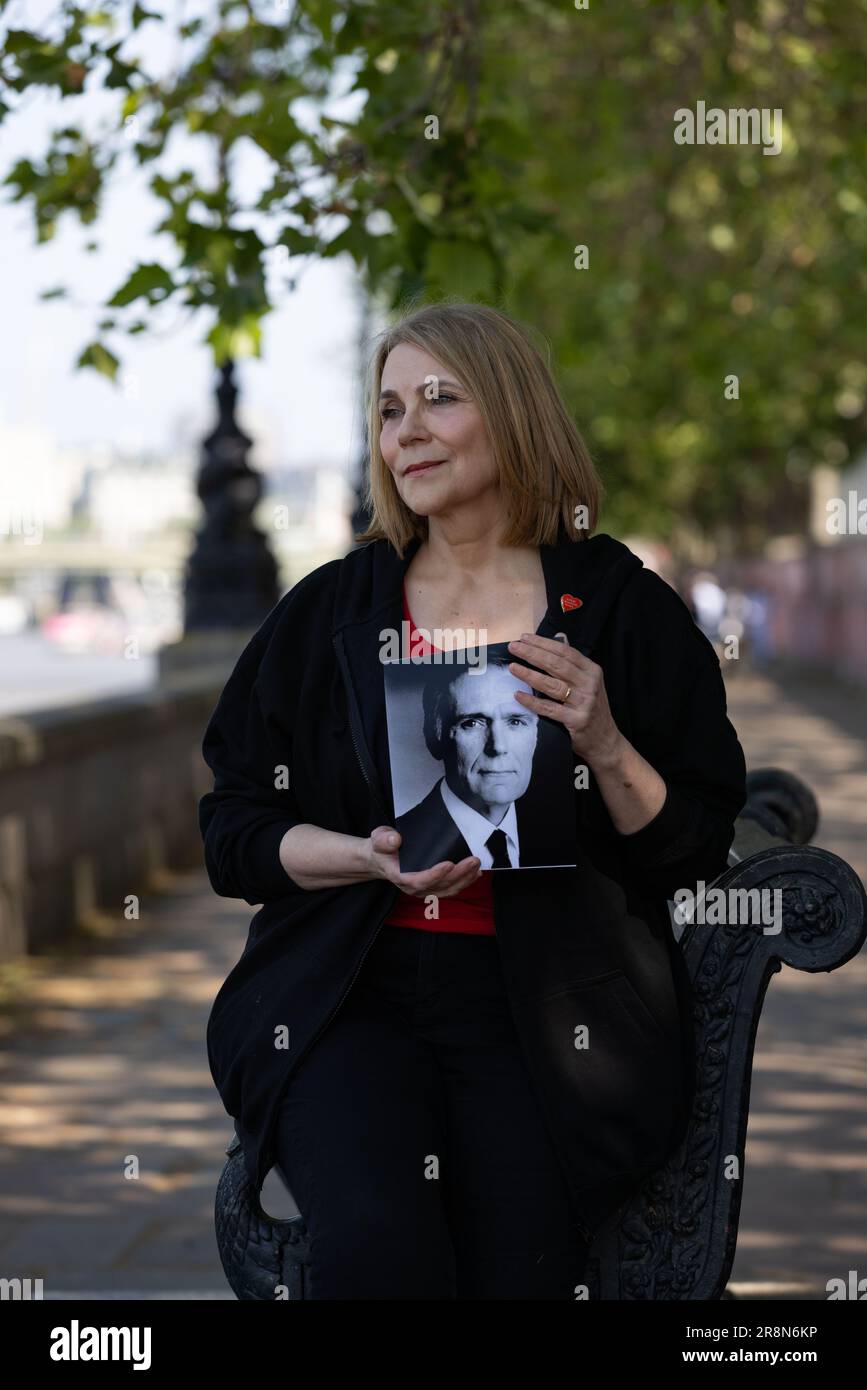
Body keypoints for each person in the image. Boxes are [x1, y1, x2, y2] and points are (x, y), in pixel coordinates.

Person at [199, 300, 747, 1300]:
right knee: (374, 1251)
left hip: (548, 1008)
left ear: (512, 412)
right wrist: (362, 856)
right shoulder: (333, 609)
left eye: (439, 400)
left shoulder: (618, 605)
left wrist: (605, 740)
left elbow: (697, 848)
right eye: (388, 408)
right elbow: (232, 831)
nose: (406, 429)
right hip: (348, 994)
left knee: (520, 1270)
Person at [394, 656, 546, 871]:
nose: (498, 746)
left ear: (535, 735)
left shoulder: (556, 834)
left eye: (515, 721)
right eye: (472, 723)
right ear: (434, 736)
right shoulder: (401, 844)